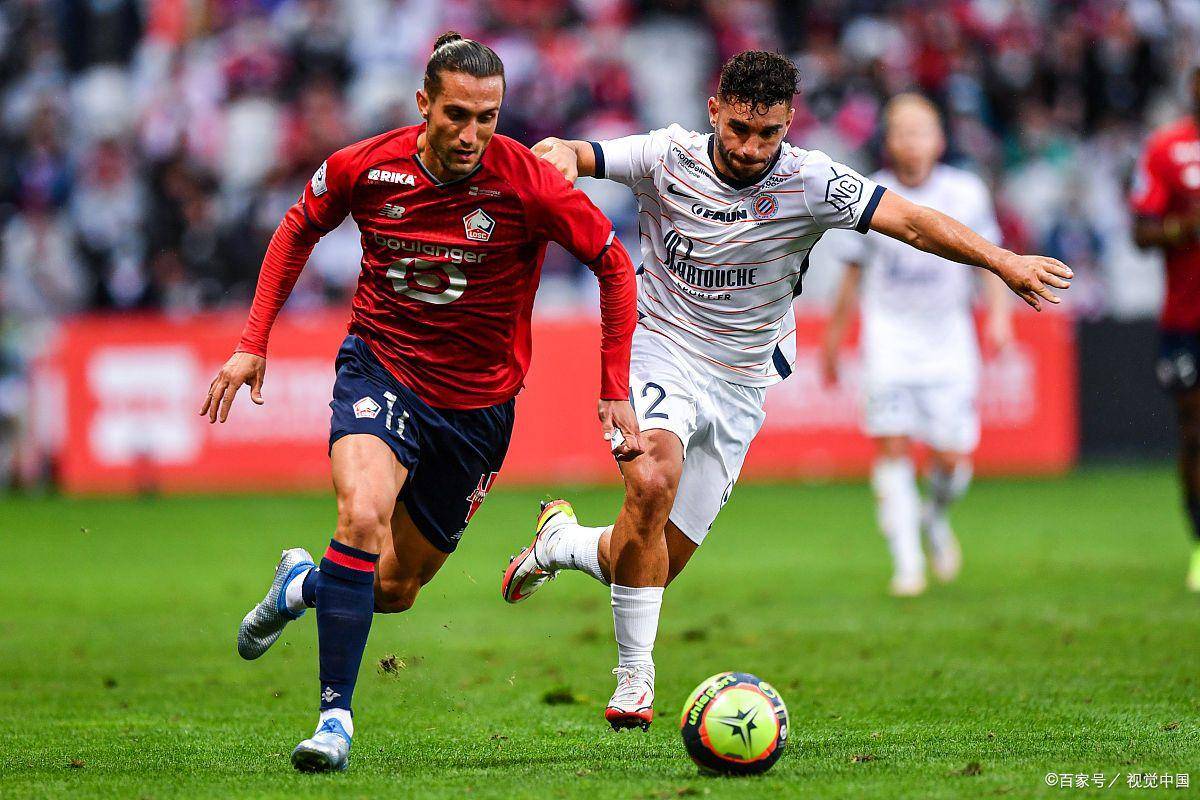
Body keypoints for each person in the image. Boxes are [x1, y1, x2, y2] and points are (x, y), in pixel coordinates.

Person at [500, 51, 1071, 730]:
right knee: (651, 482)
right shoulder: (666, 156)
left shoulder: (813, 180)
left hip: (741, 379)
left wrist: (1002, 261)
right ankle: (634, 680)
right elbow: (574, 150)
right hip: (662, 348)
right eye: (738, 129)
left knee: (654, 560)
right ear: (714, 111)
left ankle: (560, 543)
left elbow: (913, 222)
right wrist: (558, 155)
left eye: (767, 133)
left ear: (789, 123)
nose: (750, 147)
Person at [202, 32, 642, 773]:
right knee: (360, 517)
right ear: (423, 105)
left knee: (395, 587)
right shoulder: (367, 166)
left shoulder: (528, 183)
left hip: (477, 410)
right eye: (456, 115)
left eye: (487, 118)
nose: (471, 134)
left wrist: (613, 386)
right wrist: (253, 340)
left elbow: (613, 263)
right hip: (382, 368)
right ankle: (334, 720)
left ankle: (300, 586)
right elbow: (298, 226)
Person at [820, 94, 1012, 597]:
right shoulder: (867, 194)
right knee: (892, 445)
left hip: (948, 339)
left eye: (921, 130)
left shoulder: (966, 192)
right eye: (902, 132)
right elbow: (851, 276)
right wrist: (834, 341)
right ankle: (907, 564)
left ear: (939, 139)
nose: (911, 141)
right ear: (889, 140)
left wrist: (998, 318)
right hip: (889, 338)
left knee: (951, 459)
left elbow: (990, 260)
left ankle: (935, 518)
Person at [1131, 64, 1200, 591]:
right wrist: (1186, 228)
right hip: (1187, 318)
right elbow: (1142, 233)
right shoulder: (1166, 148)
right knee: (1195, 432)